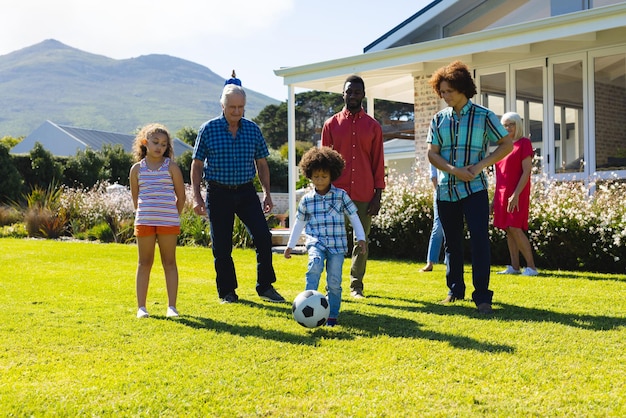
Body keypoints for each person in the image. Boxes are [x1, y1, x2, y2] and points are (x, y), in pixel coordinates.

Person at [426, 60, 513, 315]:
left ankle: (483, 296)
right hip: (445, 191)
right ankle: (455, 290)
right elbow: (432, 154)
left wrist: (478, 167)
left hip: (475, 190)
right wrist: (454, 171)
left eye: (448, 91)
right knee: (452, 243)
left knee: (479, 241)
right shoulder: (438, 119)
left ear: (462, 88)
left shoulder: (484, 116)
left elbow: (506, 145)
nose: (444, 96)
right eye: (441, 91)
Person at [191, 83, 285, 304]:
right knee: (222, 245)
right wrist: (196, 196)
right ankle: (227, 292)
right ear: (222, 105)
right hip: (218, 193)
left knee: (263, 236)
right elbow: (196, 165)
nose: (236, 111)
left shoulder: (253, 129)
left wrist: (267, 193)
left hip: (246, 192)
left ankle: (265, 287)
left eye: (240, 107)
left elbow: (262, 164)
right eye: (231, 106)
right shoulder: (208, 129)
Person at [284, 147, 367, 327]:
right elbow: (299, 223)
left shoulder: (341, 196)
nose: (320, 180)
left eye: (324, 176)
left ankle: (332, 316)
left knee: (334, 282)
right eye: (316, 177)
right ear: (309, 175)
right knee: (314, 267)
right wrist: (290, 245)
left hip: (337, 246)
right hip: (316, 242)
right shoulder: (307, 200)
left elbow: (354, 216)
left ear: (332, 175)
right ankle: (306, 305)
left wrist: (361, 238)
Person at [321, 75, 386, 298]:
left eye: (357, 92)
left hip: (364, 193)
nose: (353, 96)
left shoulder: (373, 127)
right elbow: (324, 162)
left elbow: (378, 162)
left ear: (363, 94)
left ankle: (356, 285)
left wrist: (378, 195)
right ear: (343, 94)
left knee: (361, 240)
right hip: (336, 194)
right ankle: (333, 283)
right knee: (334, 241)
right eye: (349, 92)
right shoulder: (331, 125)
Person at [129, 123, 186, 318]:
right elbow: (136, 198)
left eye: (163, 144)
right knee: (144, 263)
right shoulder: (136, 169)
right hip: (144, 222)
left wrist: (171, 216)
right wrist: (145, 214)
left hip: (168, 222)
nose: (159, 147)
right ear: (145, 143)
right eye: (155, 142)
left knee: (169, 263)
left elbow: (181, 197)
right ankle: (141, 308)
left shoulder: (172, 167)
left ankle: (172, 307)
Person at [493, 112, 539, 276]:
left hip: (517, 192)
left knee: (515, 227)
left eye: (511, 124)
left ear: (518, 125)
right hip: (502, 193)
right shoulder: (502, 147)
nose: (508, 128)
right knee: (508, 228)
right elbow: (499, 176)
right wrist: (494, 199)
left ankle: (532, 267)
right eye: (505, 125)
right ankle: (514, 267)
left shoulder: (524, 143)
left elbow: (526, 171)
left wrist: (516, 194)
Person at [419, 164, 445, 272]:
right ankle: (430, 262)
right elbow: (434, 176)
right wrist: (439, 193)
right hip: (440, 192)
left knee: (453, 227)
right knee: (438, 226)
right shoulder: (434, 154)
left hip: (454, 192)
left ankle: (450, 261)